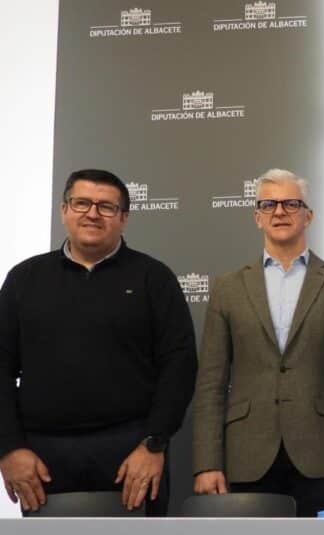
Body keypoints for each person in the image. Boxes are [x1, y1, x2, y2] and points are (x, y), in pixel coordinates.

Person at [0, 168, 197, 514]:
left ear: (124, 218)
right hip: (42, 457)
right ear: (64, 210)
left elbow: (179, 366)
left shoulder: (154, 278)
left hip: (133, 454)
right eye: (82, 203)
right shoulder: (24, 279)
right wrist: (10, 448)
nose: (92, 214)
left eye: (106, 207)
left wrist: (154, 444)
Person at [191, 169, 324, 517]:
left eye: (291, 203)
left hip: (323, 455)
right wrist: (207, 463)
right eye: (268, 204)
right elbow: (211, 384)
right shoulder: (227, 288)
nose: (279, 212)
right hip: (246, 455)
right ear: (257, 217)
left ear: (309, 215)